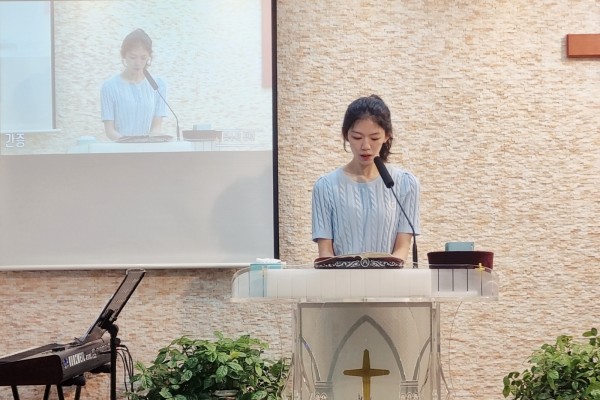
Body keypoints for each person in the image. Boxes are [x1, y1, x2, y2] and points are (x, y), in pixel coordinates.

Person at [311, 95, 420, 262]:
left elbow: (402, 249)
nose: (366, 146)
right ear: (346, 135)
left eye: (374, 138)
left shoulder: (406, 183)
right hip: (340, 277)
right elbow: (325, 252)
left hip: (389, 277)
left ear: (387, 136)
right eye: (357, 137)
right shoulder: (325, 186)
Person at [101, 29, 167, 141]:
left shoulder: (158, 85)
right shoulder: (109, 87)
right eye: (132, 57)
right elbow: (110, 131)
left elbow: (156, 127)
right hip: (120, 148)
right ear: (124, 55)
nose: (138, 63)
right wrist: (130, 144)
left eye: (143, 58)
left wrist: (148, 142)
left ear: (149, 57)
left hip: (148, 148)